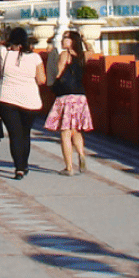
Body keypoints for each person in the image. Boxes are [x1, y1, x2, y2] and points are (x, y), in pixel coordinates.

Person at [0, 26, 46, 179]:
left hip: (6, 99)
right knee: (25, 134)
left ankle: (18, 168)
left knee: (14, 134)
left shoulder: (3, 53)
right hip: (30, 101)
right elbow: (41, 80)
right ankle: (24, 165)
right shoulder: (35, 58)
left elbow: (0, 46)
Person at [45, 29, 93, 175]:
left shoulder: (64, 55)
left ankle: (69, 167)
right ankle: (82, 155)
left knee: (65, 132)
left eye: (66, 38)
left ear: (72, 41)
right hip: (80, 97)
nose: (63, 40)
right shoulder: (83, 56)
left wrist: (51, 59)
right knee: (76, 130)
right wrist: (84, 39)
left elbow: (57, 73)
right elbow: (91, 49)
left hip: (66, 97)